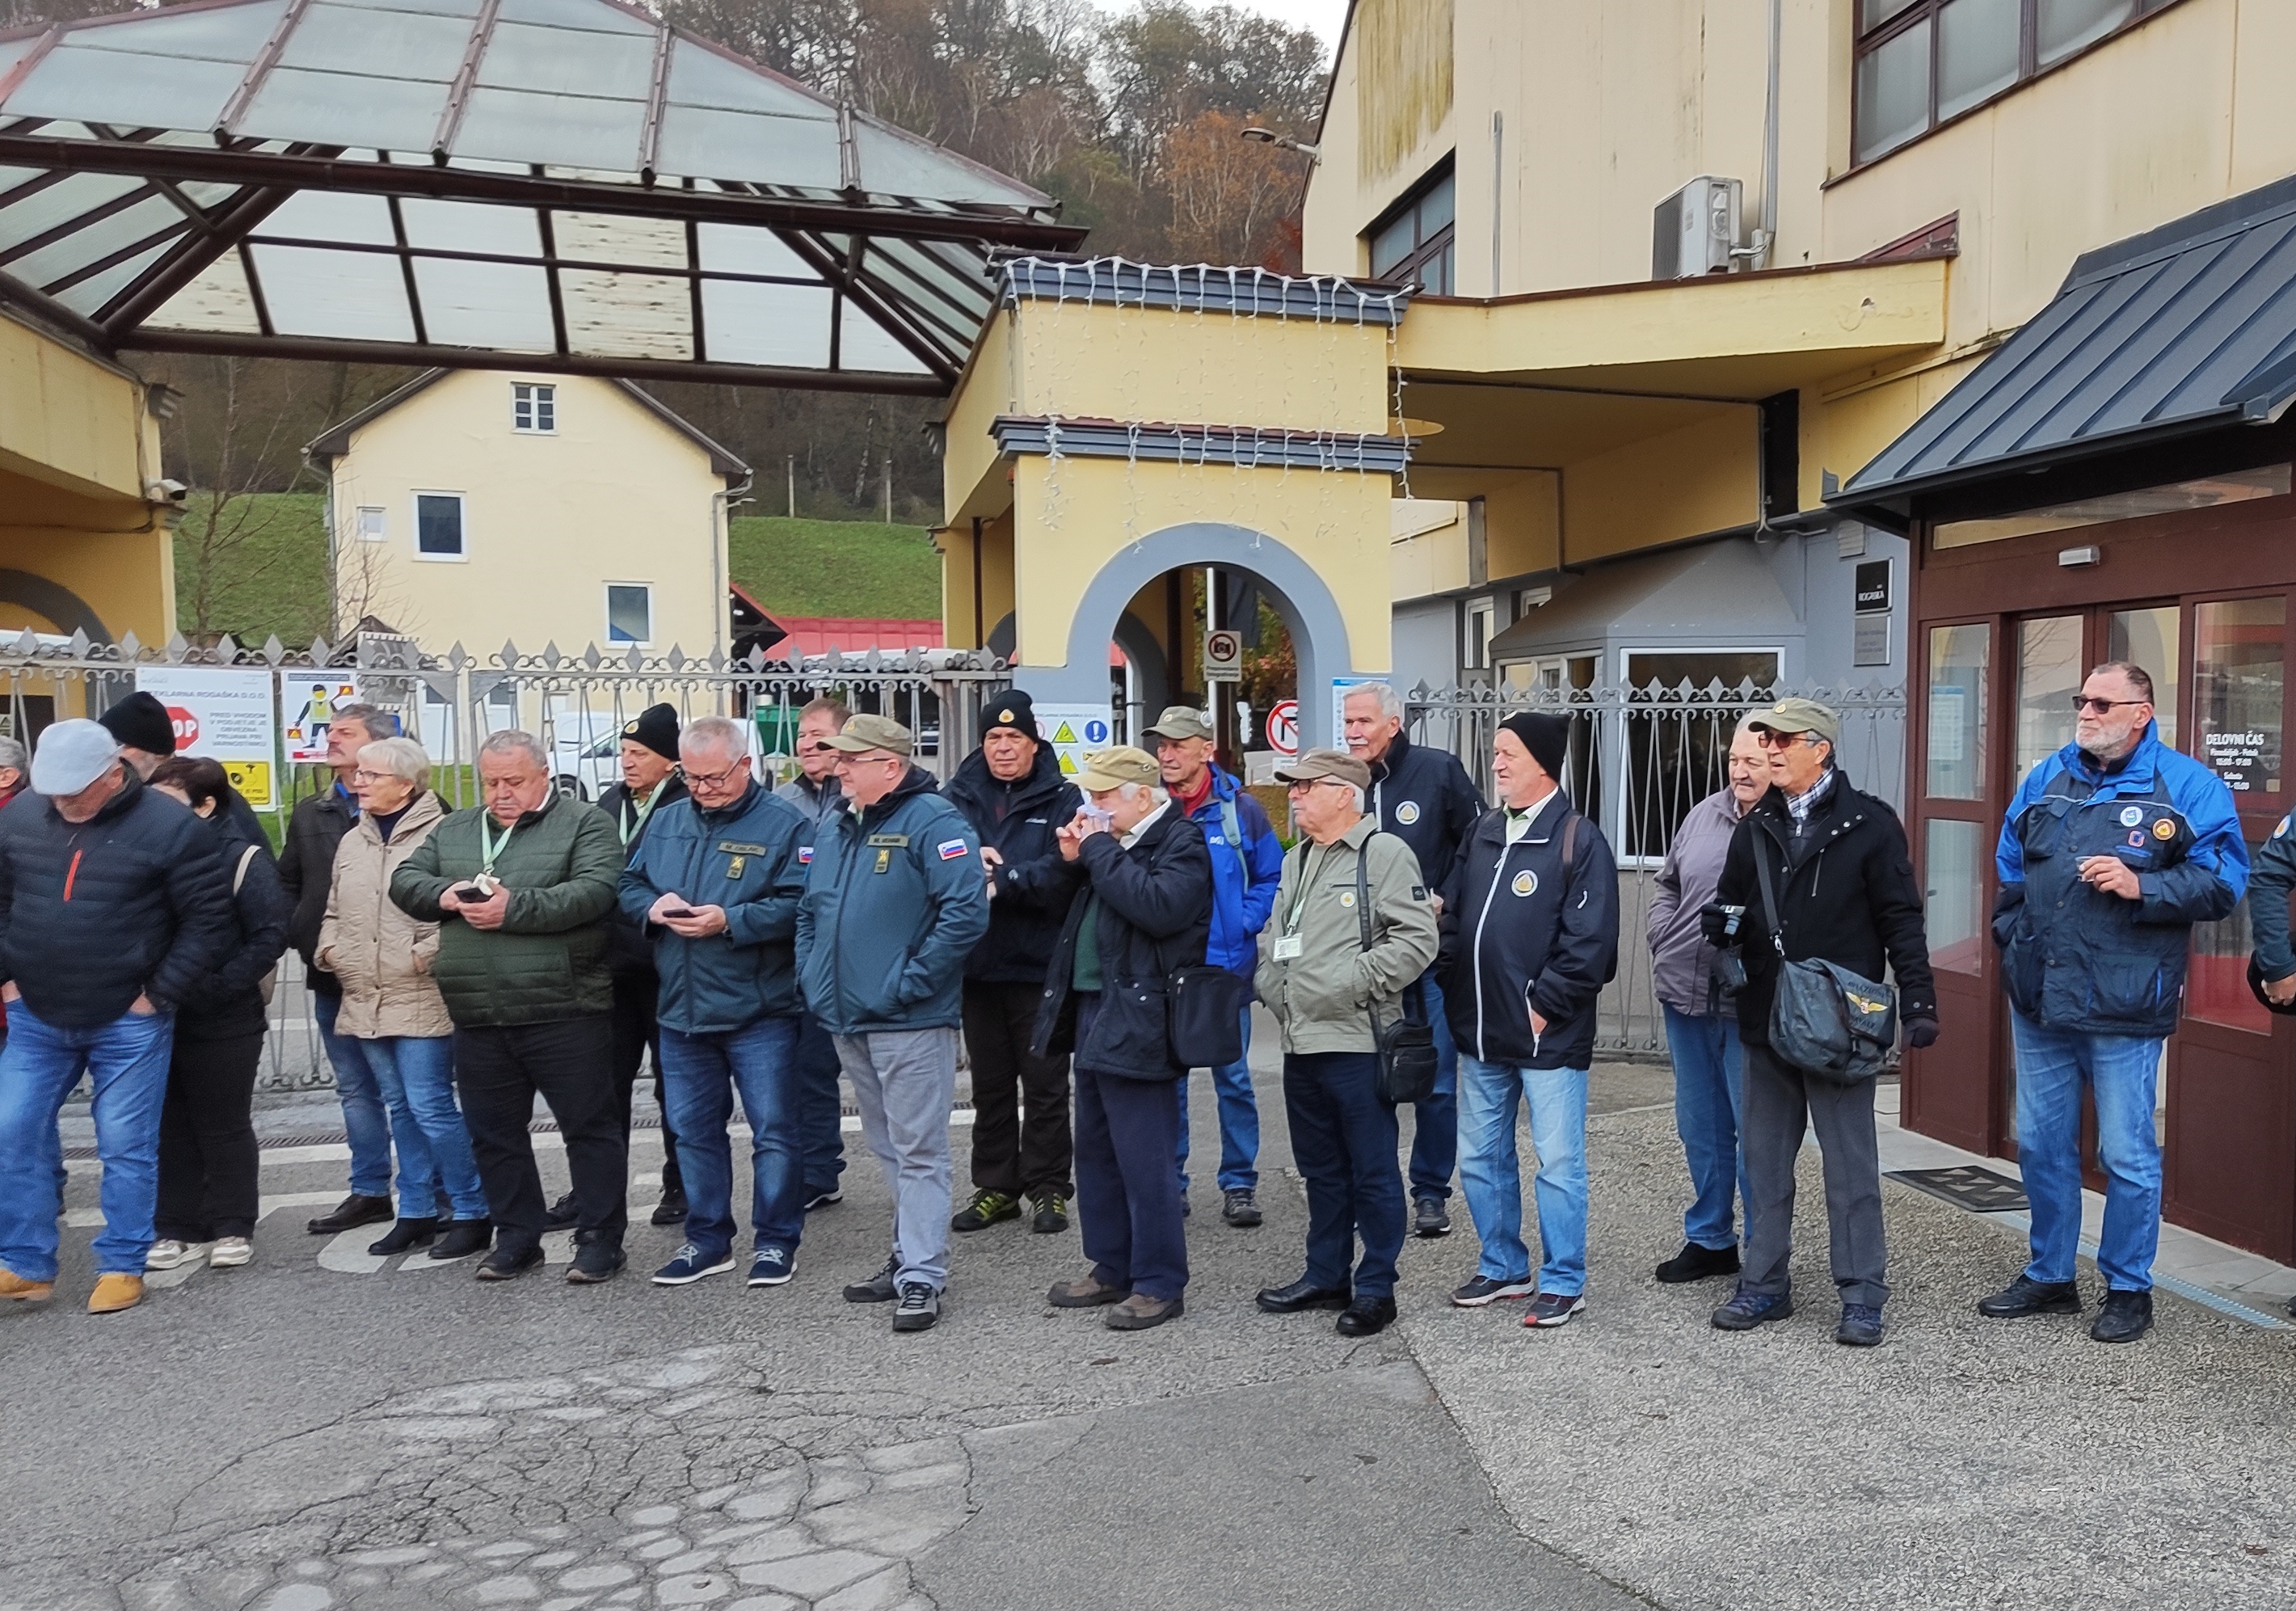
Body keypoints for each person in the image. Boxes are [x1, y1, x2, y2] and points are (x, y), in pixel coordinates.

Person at [1982, 662, 2244, 1345]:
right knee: (2041, 1144)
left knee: (2125, 1152)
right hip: (2040, 995)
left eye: (2102, 702)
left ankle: (2128, 1286)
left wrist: (2141, 886)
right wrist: (2012, 937)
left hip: (2124, 1001)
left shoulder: (2187, 786)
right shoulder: (2046, 776)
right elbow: (2010, 865)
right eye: (2082, 700)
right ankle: (2049, 1273)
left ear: (2140, 713)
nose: (2086, 711)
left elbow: (2223, 885)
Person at [1708, 697, 1936, 1347]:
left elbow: (1900, 918)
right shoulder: (1755, 825)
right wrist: (1722, 929)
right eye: (1766, 740)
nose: (1770, 751)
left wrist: (1919, 1001)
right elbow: (1729, 901)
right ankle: (1763, 1283)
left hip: (1840, 1024)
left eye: (1783, 740)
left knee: (1850, 1167)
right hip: (1766, 1018)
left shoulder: (1870, 824)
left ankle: (1861, 1295)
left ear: (1820, 748)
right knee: (1764, 1163)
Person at [0, 721, 233, 1314]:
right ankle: (25, 1263)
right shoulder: (20, 816)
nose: (63, 802)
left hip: (128, 1018)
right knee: (10, 1130)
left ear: (113, 773)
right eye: (52, 791)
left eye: (75, 791)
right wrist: (7, 980)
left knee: (126, 1144)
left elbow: (208, 921)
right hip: (35, 1012)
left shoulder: (172, 828)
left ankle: (123, 1264)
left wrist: (158, 995)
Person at [390, 730, 629, 1284]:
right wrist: (445, 895)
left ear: (543, 775)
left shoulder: (585, 822)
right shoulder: (456, 827)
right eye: (491, 782)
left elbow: (595, 891)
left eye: (514, 781)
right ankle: (517, 1237)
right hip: (479, 1011)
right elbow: (405, 880)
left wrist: (513, 908)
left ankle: (599, 1240)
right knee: (495, 1136)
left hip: (563, 1006)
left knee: (589, 1130)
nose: (501, 793)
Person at [795, 713, 988, 1334]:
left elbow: (965, 912)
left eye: (852, 759)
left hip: (909, 1019)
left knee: (919, 1150)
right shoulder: (836, 824)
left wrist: (910, 982)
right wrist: (811, 974)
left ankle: (923, 1274)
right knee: (887, 1146)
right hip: (847, 1014)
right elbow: (810, 910)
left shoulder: (934, 821)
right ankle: (908, 1253)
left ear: (891, 765)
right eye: (839, 758)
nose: (840, 768)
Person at [1437, 714, 1620, 1328]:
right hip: (1478, 1030)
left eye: (1507, 753)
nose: (1495, 763)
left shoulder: (1578, 839)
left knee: (1558, 1165)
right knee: (1479, 1158)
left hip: (1548, 1037)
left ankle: (1564, 1279)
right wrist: (1451, 979)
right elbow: (1452, 912)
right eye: (1495, 752)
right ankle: (1503, 1266)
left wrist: (1542, 1009)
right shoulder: (1483, 830)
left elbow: (1590, 945)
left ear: (1542, 762)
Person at [1253, 748, 1439, 1339]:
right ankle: (1326, 1274)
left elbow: (1416, 941)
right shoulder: (1297, 858)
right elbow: (1274, 936)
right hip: (1299, 1039)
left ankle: (1376, 1287)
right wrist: (1273, 986)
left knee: (1372, 1170)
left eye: (1306, 786)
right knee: (1321, 1169)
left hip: (1357, 1042)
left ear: (1343, 794)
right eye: (1294, 786)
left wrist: (1347, 984)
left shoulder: (1383, 854)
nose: (1295, 795)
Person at [621, 716, 811, 1288]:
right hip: (682, 1008)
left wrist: (731, 920)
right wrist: (652, 908)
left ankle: (776, 1241)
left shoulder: (786, 824)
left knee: (774, 1132)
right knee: (692, 1131)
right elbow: (628, 883)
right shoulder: (667, 820)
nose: (703, 789)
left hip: (760, 1009)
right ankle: (706, 1239)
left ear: (745, 766)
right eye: (692, 777)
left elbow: (803, 903)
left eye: (715, 778)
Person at [1036, 745, 1213, 1331]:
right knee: (1096, 1150)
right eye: (1091, 794)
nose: (1093, 806)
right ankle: (1111, 1264)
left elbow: (1158, 908)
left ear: (1142, 796)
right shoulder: (1109, 844)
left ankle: (1159, 1281)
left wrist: (1096, 851)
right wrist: (1071, 860)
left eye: (1104, 795)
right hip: (1095, 1007)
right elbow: (1064, 909)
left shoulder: (1180, 842)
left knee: (1145, 1157)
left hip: (1142, 1015)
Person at [314, 736, 492, 1261]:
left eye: (371, 775)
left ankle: (471, 1209)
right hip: (363, 990)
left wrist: (424, 955)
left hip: (420, 991)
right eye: (359, 773)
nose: (358, 781)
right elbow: (334, 907)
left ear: (407, 785)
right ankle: (415, 1211)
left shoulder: (447, 832)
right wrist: (331, 950)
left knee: (430, 1106)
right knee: (400, 1107)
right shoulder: (355, 837)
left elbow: (465, 903)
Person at [1342, 680, 1483, 1238]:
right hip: (1362, 962)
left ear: (1393, 723)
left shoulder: (1437, 770)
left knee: (1435, 1082)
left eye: (1363, 722)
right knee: (1362, 1080)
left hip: (1427, 960)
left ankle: (1429, 1190)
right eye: (1348, 722)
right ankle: (1370, 1188)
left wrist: (1445, 895)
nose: (1353, 732)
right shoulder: (1343, 782)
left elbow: (1476, 843)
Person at [141, 757, 287, 1274]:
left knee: (223, 1123)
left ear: (206, 806)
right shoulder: (147, 853)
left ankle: (232, 1226)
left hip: (225, 1014)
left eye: (169, 802)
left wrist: (219, 986)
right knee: (170, 1125)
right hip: (157, 1009)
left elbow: (269, 935)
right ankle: (175, 1228)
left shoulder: (243, 858)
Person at [945, 691, 1081, 1236]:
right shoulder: (956, 796)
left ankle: (1048, 1186)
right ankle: (996, 1187)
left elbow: (1066, 870)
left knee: (1045, 1085)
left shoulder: (1063, 797)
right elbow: (937, 859)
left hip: (1039, 967)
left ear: (1033, 742)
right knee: (990, 1086)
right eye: (993, 737)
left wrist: (1007, 879)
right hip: (978, 965)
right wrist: (968, 865)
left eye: (1014, 737)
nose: (1003, 747)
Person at [1144, 704, 1283, 1228]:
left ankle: (1239, 1183)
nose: (1166, 754)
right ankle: (1172, 1183)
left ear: (1206, 750)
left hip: (1224, 970)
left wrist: (1245, 921)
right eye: (1162, 745)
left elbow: (1270, 874)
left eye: (1178, 745)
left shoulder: (1241, 810)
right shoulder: (1149, 805)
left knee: (1234, 1080)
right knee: (1169, 1084)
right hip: (1164, 968)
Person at [279, 702, 411, 1238]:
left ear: (378, 744)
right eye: (330, 731)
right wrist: (304, 934)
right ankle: (370, 1190)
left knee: (409, 1092)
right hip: (332, 974)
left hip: (399, 979)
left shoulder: (416, 806)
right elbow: (288, 881)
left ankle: (434, 1193)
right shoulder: (312, 811)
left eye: (344, 732)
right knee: (355, 1089)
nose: (330, 739)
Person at [558, 702, 689, 1234]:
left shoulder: (685, 803)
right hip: (610, 967)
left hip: (664, 967)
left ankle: (681, 1182)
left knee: (673, 1083)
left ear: (670, 761)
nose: (627, 762)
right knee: (602, 1086)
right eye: (625, 752)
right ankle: (594, 1189)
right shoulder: (609, 802)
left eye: (639, 753)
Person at [1644, 719, 1767, 1284]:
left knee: (1755, 1132)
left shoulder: (1786, 823)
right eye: (1734, 760)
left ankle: (1764, 1249)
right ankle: (1711, 1238)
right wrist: (1661, 932)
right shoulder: (1703, 814)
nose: (1740, 771)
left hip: (1747, 1003)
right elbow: (1668, 883)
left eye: (1753, 762)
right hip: (1684, 993)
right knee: (1700, 1125)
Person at [777, 695, 851, 1212]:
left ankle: (824, 1170)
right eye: (802, 735)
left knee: (822, 1068)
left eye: (818, 735)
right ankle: (808, 1170)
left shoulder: (858, 794)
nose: (807, 744)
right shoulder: (782, 800)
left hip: (842, 951)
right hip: (789, 947)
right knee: (796, 1067)